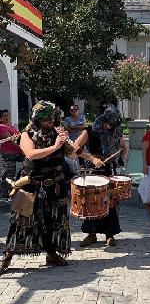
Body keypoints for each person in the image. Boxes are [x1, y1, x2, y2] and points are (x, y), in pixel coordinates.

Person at [0, 101, 102, 275]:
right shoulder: (27, 134)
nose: (50, 121)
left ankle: (51, 253)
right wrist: (55, 146)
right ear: (37, 118)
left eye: (51, 118)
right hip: (33, 185)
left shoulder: (58, 133)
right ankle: (7, 257)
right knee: (21, 222)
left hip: (55, 185)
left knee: (54, 221)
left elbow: (73, 151)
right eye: (45, 118)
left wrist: (92, 159)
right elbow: (31, 154)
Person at [77, 104, 128, 247]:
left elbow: (123, 147)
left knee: (110, 202)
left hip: (109, 169)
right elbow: (75, 147)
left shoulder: (116, 131)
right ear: (103, 120)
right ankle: (91, 234)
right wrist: (92, 159)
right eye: (108, 124)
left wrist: (119, 160)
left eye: (113, 125)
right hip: (93, 170)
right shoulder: (90, 131)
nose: (110, 127)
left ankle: (109, 234)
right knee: (91, 201)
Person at [0, 110, 23, 198]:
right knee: (9, 173)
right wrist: (22, 149)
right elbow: (11, 139)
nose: (7, 117)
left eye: (8, 115)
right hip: (8, 153)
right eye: (4, 116)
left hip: (17, 152)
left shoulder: (11, 126)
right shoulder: (1, 126)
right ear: (1, 118)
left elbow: (18, 136)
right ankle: (5, 193)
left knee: (29, 163)